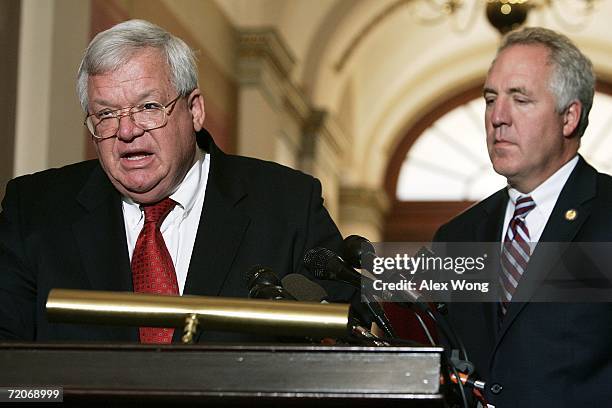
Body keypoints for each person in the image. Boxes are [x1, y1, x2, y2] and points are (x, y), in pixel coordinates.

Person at [0, 19, 352, 343]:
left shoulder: (287, 206)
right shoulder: (34, 210)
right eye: (106, 114)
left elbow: (339, 335)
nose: (127, 130)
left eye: (149, 106)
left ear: (195, 110)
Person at [434, 27, 612, 406]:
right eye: (490, 98)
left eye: (520, 99)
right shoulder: (457, 236)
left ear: (569, 117)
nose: (498, 117)